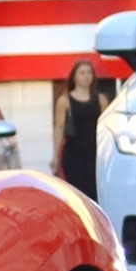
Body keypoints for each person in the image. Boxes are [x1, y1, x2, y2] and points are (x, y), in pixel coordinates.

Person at [52, 58, 113, 199]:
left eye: (89, 73)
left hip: (95, 155)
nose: (86, 76)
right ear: (74, 76)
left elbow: (106, 128)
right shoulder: (65, 101)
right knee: (76, 194)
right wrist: (55, 155)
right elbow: (59, 128)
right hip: (73, 156)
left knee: (95, 193)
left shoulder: (101, 99)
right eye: (82, 73)